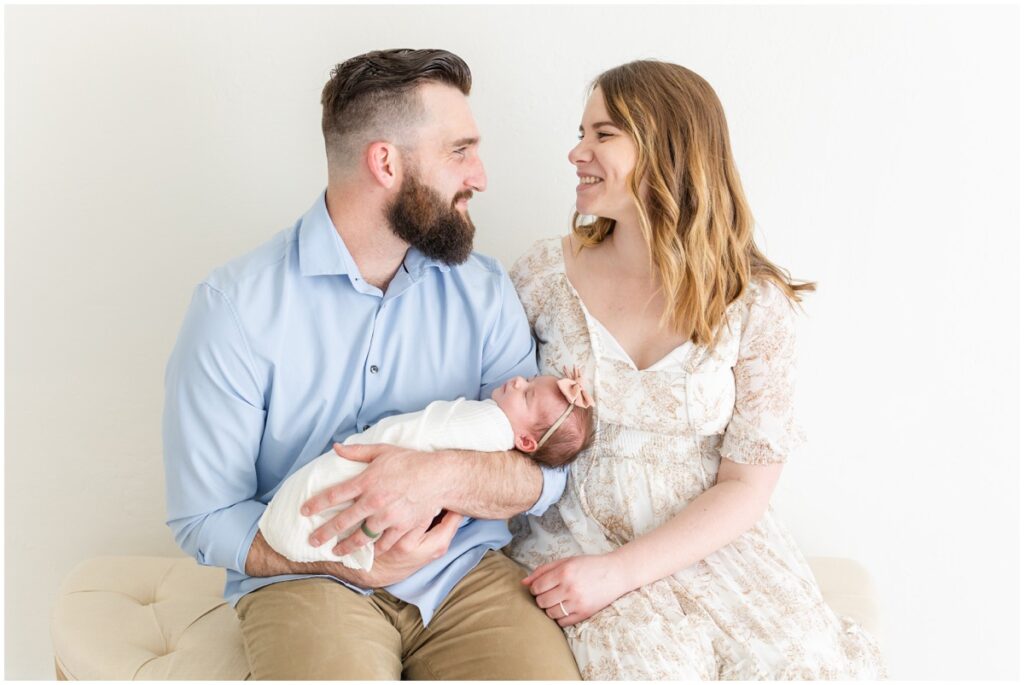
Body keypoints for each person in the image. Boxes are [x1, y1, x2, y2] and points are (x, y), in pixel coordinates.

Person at [162, 49, 581, 680]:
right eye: (459, 151)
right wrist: (342, 563)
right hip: (306, 583)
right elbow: (205, 519)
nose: (481, 175)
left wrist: (433, 478)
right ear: (385, 162)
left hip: (464, 576)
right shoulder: (234, 311)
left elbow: (538, 475)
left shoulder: (484, 288)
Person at [506, 60, 887, 680]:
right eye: (582, 133)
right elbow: (494, 409)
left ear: (668, 147)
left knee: (802, 666)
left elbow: (747, 485)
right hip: (578, 539)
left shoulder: (754, 303)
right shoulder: (545, 275)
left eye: (603, 135)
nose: (577, 152)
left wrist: (624, 570)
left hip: (713, 545)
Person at [260, 368, 594, 569]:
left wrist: (435, 475)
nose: (519, 380)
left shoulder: (491, 426)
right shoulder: (493, 421)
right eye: (529, 380)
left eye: (527, 394)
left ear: (525, 442)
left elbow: (546, 483)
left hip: (459, 567)